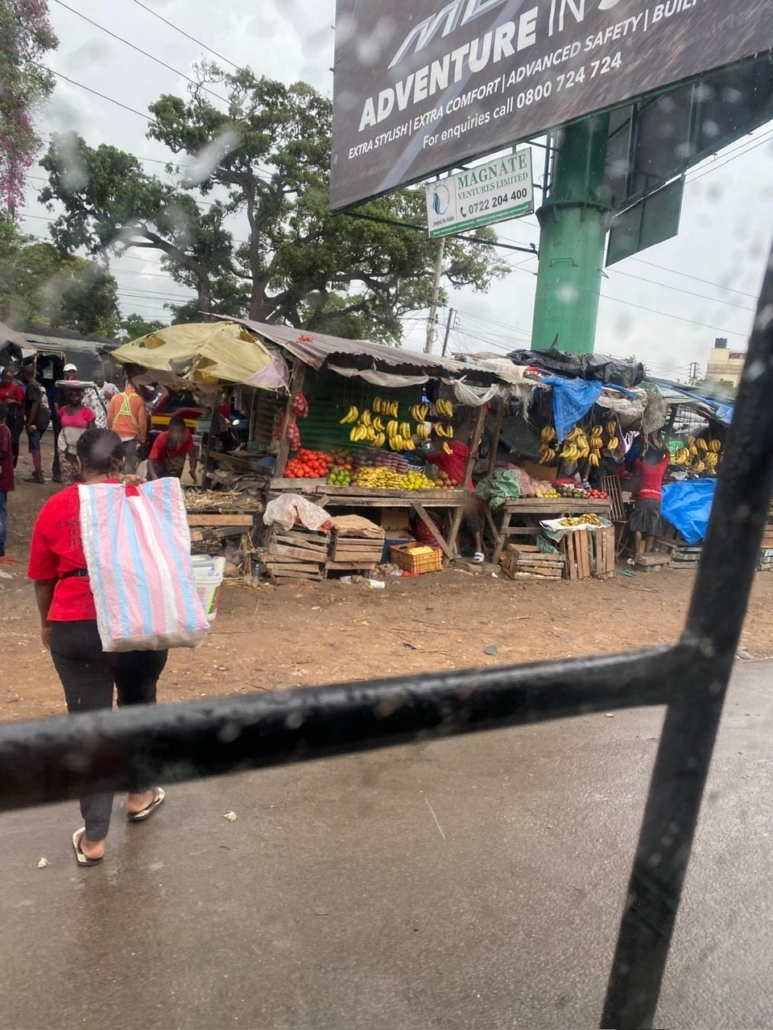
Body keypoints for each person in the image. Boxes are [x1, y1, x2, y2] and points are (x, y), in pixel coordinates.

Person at [28, 429, 168, 867]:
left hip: (77, 626)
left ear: (75, 462)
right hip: (139, 622)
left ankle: (94, 841)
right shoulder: (142, 500)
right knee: (138, 707)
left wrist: (47, 622)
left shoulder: (56, 506)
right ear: (121, 462)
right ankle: (140, 794)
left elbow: (41, 578)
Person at [426, 437, 485, 563]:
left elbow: (470, 453)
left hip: (467, 490)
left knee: (472, 521)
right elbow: (427, 455)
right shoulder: (437, 454)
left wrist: (474, 451)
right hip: (452, 491)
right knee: (453, 522)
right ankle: (456, 551)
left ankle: (479, 550)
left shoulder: (455, 445)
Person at [628, 442, 671, 560]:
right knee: (652, 528)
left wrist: (641, 452)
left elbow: (636, 460)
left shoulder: (644, 466)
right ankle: (646, 555)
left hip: (643, 498)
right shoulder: (661, 467)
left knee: (638, 526)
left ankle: (637, 554)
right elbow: (668, 457)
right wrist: (665, 449)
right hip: (656, 499)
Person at [57, 383, 97, 487]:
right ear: (68, 396)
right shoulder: (62, 410)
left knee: (82, 480)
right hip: (64, 448)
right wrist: (65, 447)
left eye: (77, 395)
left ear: (82, 396)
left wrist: (84, 450)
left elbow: (91, 434)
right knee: (67, 480)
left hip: (81, 451)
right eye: (72, 395)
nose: (74, 397)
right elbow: (60, 427)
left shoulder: (88, 412)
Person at [107, 381, 147, 473]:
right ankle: (125, 484)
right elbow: (142, 421)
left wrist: (111, 432)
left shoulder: (115, 398)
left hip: (116, 436)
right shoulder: (139, 399)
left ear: (126, 386)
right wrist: (143, 437)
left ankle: (115, 482)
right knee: (128, 463)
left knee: (115, 462)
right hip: (130, 437)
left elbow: (109, 418)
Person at [20, 365, 51, 484]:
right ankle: (37, 471)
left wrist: (29, 422)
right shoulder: (39, 385)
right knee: (36, 446)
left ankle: (38, 475)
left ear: (24, 374)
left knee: (35, 448)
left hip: (36, 421)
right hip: (45, 418)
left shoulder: (32, 386)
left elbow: (35, 404)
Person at [51, 363, 80, 483]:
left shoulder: (77, 386)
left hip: (73, 420)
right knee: (59, 446)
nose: (71, 374)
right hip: (61, 420)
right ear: (65, 373)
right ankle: (57, 472)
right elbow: (56, 403)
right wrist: (59, 418)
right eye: (69, 372)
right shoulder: (60, 385)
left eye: (73, 372)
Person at [148, 415, 197, 483]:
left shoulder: (187, 437)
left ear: (184, 431)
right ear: (169, 430)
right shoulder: (161, 438)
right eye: (173, 432)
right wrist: (154, 476)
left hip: (176, 469)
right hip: (160, 467)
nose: (176, 435)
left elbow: (192, 455)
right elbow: (151, 460)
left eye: (179, 432)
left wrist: (192, 469)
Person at [0, 367, 24, 467]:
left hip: (14, 417)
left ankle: (13, 463)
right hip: (2, 416)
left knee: (13, 440)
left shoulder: (16, 387)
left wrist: (13, 401)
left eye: (9, 378)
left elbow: (20, 402)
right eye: (5, 378)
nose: (7, 380)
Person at [0, 402, 14, 557]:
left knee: (1, 511)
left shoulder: (3, 431)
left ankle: (0, 544)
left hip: (2, 478)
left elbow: (2, 453)